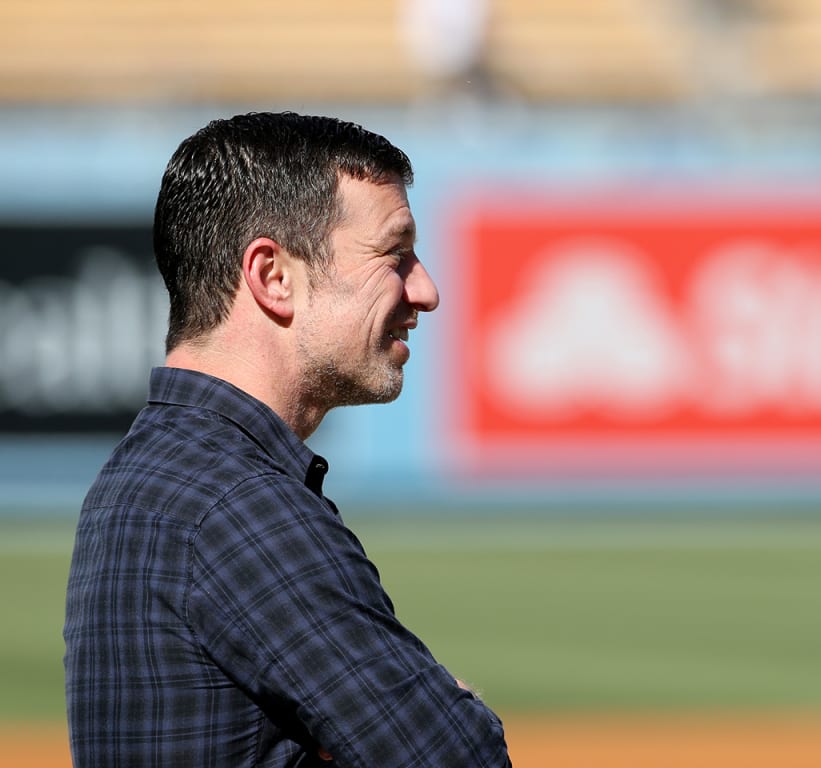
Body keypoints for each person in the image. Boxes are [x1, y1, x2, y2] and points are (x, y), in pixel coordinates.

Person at [63, 112, 512, 766]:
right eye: (395, 254)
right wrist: (452, 700)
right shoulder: (240, 508)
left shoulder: (139, 478)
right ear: (273, 277)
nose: (427, 289)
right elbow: (452, 757)